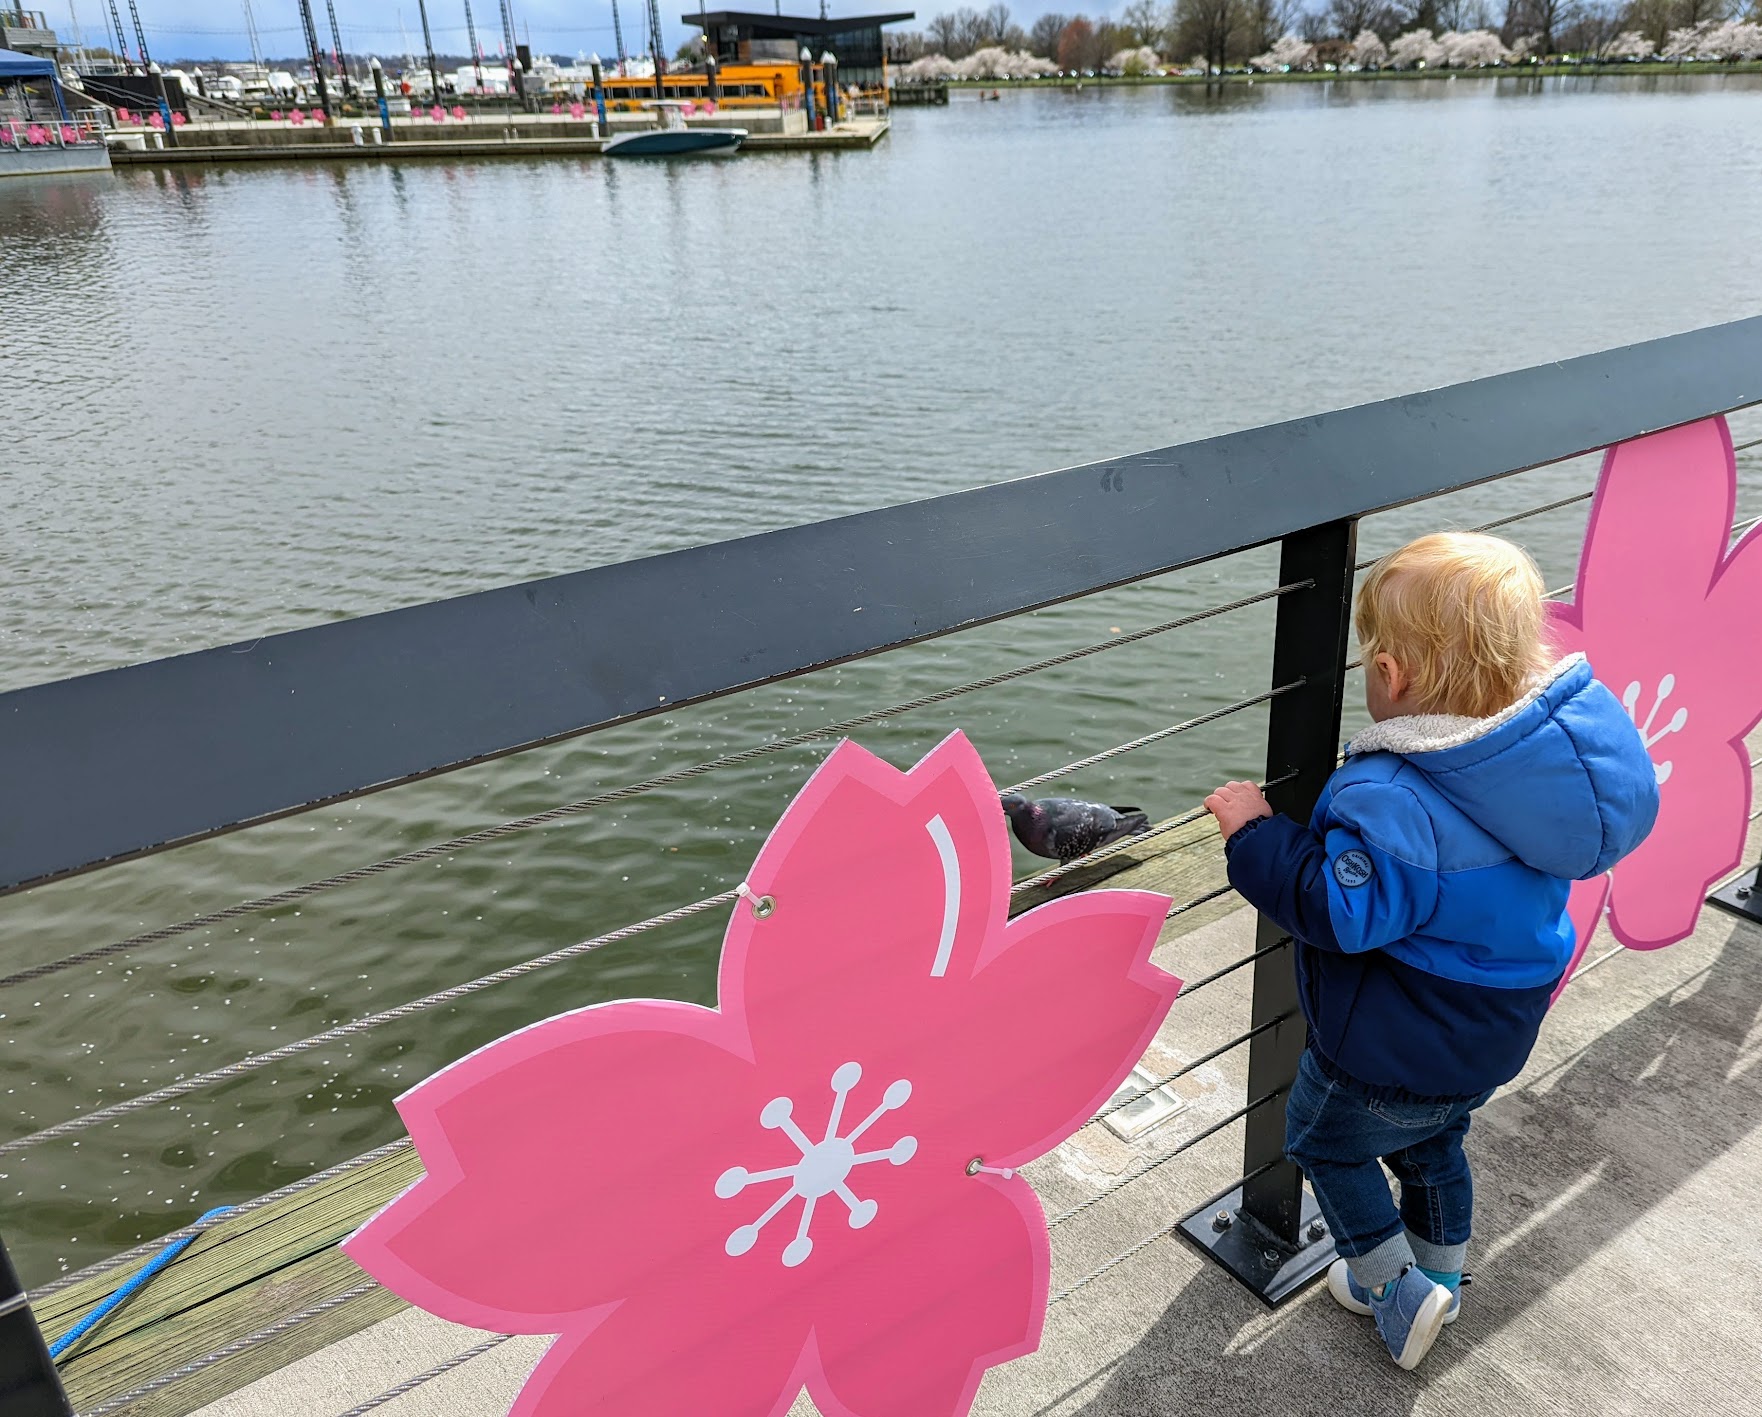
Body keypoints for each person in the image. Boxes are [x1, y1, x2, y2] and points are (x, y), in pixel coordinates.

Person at [1204, 531, 1657, 1371]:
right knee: (1432, 1144)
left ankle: (1395, 1290)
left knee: (1323, 1139)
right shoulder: (1531, 779)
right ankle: (1442, 1273)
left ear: (1393, 676)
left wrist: (1258, 837)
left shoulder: (1392, 794)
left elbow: (1342, 912)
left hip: (1395, 1037)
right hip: (1494, 1029)